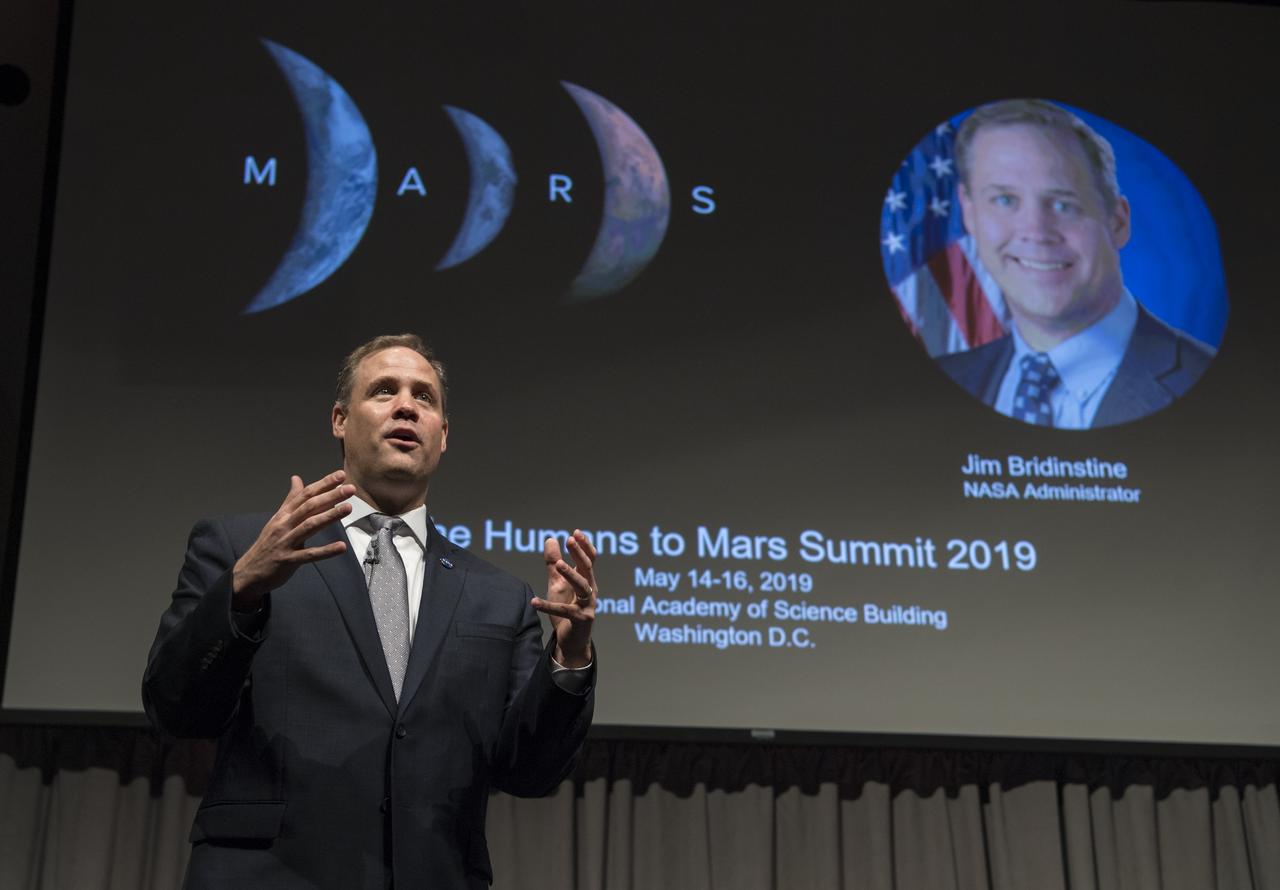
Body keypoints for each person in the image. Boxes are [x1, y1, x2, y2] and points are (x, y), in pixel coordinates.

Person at [143, 333, 597, 889]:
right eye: (384, 391)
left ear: (444, 435)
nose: (406, 405)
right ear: (339, 420)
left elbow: (530, 773)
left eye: (424, 397)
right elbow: (178, 710)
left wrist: (570, 658)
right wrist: (242, 591)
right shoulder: (245, 546)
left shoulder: (499, 596)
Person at [937, 99, 1215, 429]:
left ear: (1118, 222)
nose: (1036, 232)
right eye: (1005, 200)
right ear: (969, 213)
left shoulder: (1215, 385)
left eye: (1063, 204)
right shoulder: (944, 382)